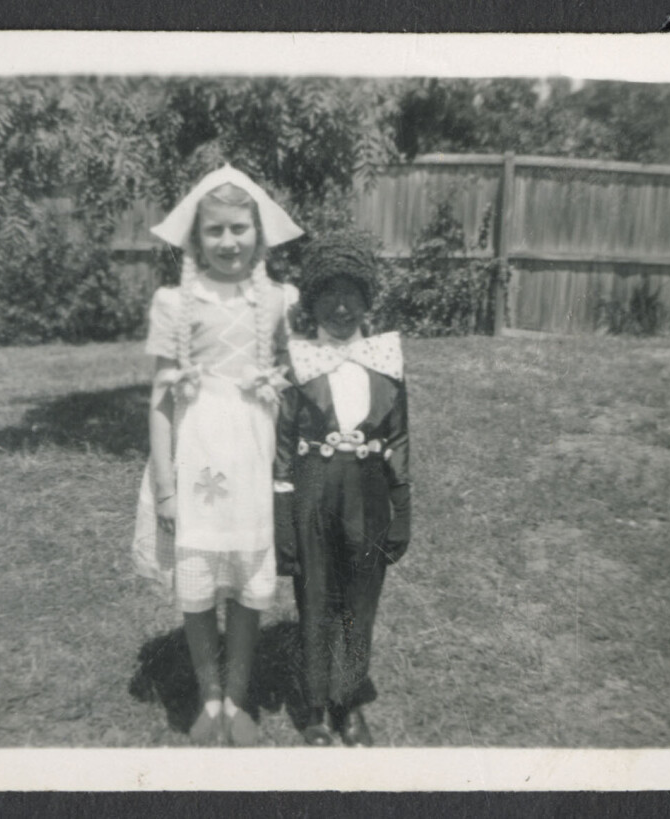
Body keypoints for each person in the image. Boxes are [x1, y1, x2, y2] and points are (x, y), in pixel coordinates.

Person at [132, 165, 303, 746]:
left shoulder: (277, 300)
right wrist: (166, 488)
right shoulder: (175, 304)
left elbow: (300, 375)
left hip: (254, 460)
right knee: (199, 586)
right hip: (197, 460)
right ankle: (209, 696)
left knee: (250, 588)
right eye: (215, 230)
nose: (229, 242)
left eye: (239, 228)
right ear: (195, 237)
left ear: (259, 231)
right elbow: (161, 402)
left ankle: (238, 696)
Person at [273, 234, 412, 747]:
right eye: (329, 295)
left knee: (360, 598)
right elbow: (282, 445)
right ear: (311, 302)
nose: (340, 307)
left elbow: (399, 439)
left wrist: (402, 510)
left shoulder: (385, 361)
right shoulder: (300, 363)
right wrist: (283, 520)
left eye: (351, 294)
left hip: (368, 494)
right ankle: (315, 707)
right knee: (315, 597)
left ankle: (348, 701)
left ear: (366, 300)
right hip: (313, 491)